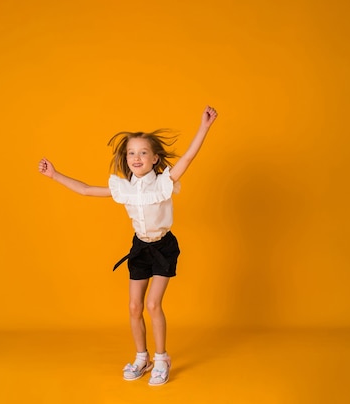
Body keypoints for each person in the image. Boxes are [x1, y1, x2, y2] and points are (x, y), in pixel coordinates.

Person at [38, 106, 218, 386]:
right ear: (126, 158)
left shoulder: (164, 182)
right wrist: (55, 175)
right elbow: (86, 190)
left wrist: (204, 127)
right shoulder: (125, 188)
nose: (136, 157)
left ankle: (161, 358)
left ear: (155, 158)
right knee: (134, 307)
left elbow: (189, 157)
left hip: (163, 248)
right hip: (139, 248)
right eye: (131, 152)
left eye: (143, 152)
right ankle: (141, 357)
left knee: (152, 304)